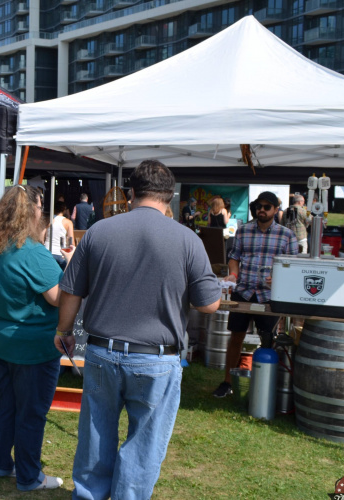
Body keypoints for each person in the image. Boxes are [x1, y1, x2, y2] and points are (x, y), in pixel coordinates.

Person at [55, 160, 221, 499]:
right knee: (144, 444)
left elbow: (71, 289)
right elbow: (209, 304)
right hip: (156, 359)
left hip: (102, 351)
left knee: (95, 436)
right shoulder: (188, 239)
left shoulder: (100, 231)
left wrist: (64, 331)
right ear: (170, 197)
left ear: (131, 193)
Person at [0, 185, 69, 491]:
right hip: (32, 346)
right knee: (31, 413)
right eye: (41, 207)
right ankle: (29, 476)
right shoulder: (33, 253)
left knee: (4, 405)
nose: (42, 213)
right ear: (32, 212)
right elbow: (58, 297)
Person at [212, 191, 299, 398]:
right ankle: (227, 382)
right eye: (259, 206)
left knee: (268, 340)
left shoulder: (287, 235)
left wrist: (280, 278)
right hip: (243, 292)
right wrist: (233, 273)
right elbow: (234, 257)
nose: (262, 210)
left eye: (267, 207)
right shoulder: (243, 231)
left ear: (276, 210)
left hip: (270, 295)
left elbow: (294, 267)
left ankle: (267, 385)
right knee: (236, 337)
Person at [43, 199, 74, 269]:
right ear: (64, 210)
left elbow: (42, 238)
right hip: (61, 253)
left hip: (47, 251)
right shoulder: (68, 222)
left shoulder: (48, 220)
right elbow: (71, 242)